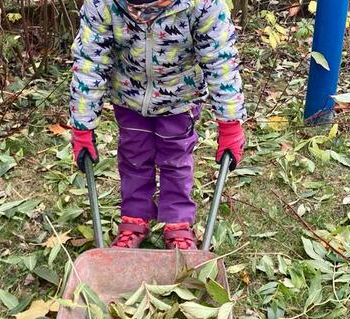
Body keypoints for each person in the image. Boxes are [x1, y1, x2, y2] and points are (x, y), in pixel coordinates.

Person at [70, 0, 246, 249]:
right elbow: (90, 63)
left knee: (175, 158)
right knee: (133, 156)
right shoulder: (102, 5)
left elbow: (221, 63)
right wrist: (82, 126)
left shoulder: (203, 5)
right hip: (129, 96)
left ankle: (177, 224)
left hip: (180, 98)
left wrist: (230, 125)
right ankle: (134, 217)